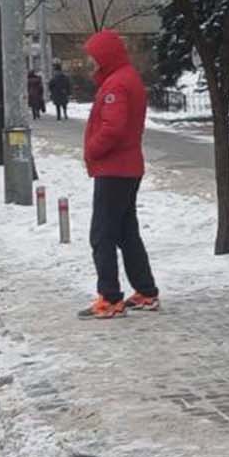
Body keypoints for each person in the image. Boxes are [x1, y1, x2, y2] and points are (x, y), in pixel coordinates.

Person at [77, 30, 159, 319]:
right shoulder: (125, 78)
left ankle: (110, 298)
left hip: (115, 168)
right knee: (126, 233)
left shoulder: (117, 85)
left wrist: (92, 150)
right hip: (126, 168)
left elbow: (113, 128)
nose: (90, 63)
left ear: (105, 56)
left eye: (93, 58)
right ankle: (146, 291)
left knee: (102, 234)